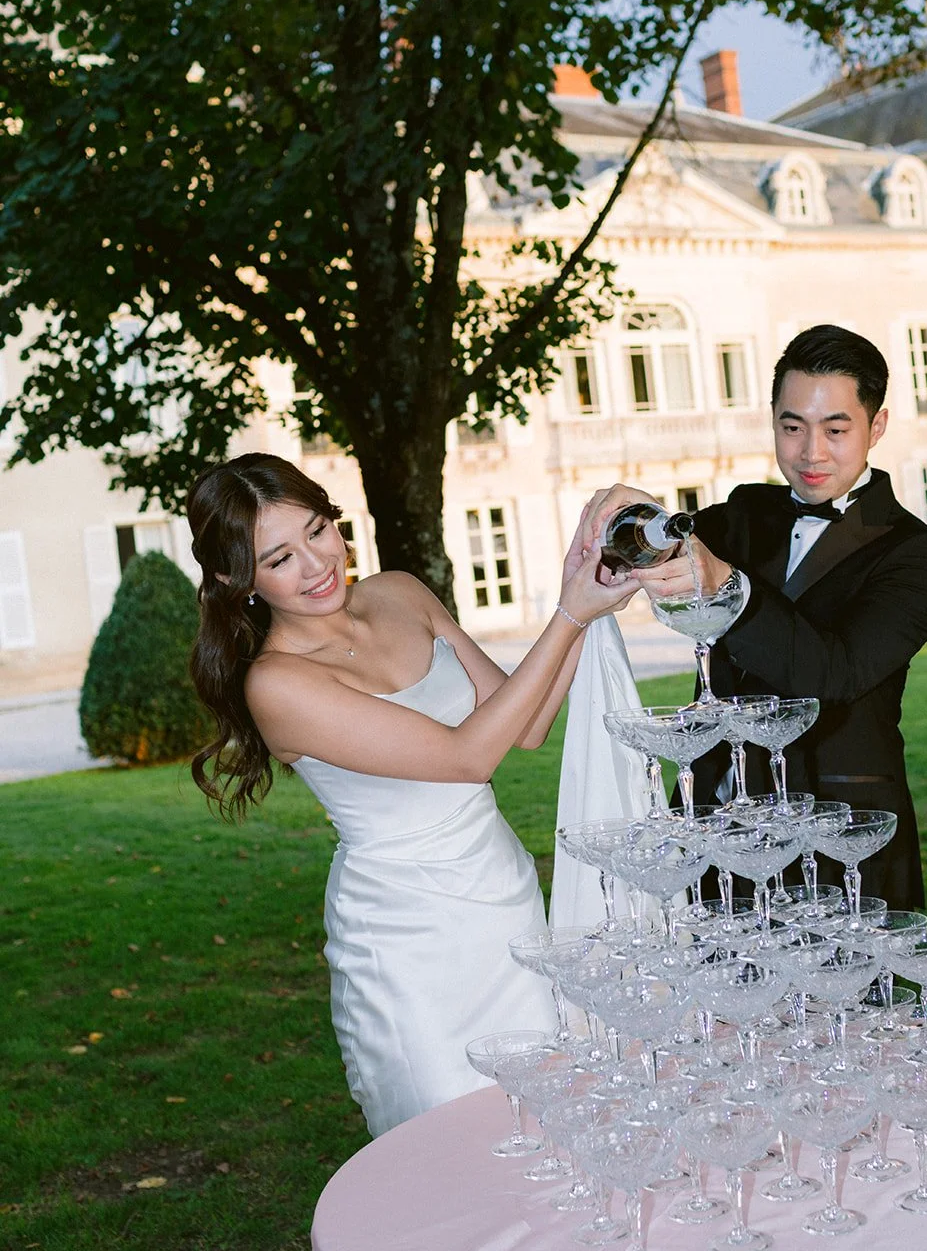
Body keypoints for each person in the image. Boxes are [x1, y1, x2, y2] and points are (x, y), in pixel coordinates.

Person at [186, 453, 639, 1137]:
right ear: (234, 578)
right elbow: (466, 756)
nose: (315, 565)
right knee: (452, 1135)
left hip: (503, 899)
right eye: (279, 558)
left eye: (317, 530)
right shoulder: (276, 684)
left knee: (551, 1119)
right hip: (407, 938)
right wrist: (569, 615)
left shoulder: (400, 592)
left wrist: (581, 588)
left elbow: (527, 724)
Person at [593, 324, 927, 907]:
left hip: (843, 840)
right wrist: (634, 525)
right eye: (792, 428)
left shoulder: (919, 555)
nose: (811, 453)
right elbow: (650, 548)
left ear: (876, 426)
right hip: (718, 826)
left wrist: (728, 586)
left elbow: (833, 673)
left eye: (836, 430)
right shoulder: (742, 514)